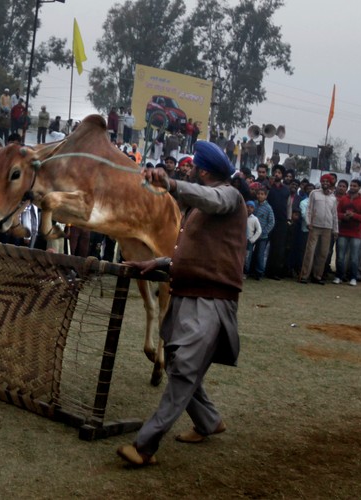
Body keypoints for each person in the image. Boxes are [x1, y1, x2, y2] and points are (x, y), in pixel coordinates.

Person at [117, 141, 246, 467]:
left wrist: (172, 185)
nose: (186, 170)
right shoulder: (198, 209)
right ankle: (208, 421)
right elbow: (193, 254)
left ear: (202, 170)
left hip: (211, 301)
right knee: (177, 361)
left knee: (184, 372)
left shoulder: (229, 196)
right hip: (187, 294)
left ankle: (144, 446)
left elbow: (211, 198)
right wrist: (158, 263)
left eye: (191, 167)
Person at [299, 175, 338, 284]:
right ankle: (304, 275)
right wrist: (308, 222)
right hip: (315, 226)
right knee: (310, 251)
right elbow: (309, 209)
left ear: (330, 183)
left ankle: (317, 276)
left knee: (323, 253)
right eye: (323, 181)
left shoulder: (333, 198)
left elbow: (334, 215)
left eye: (327, 181)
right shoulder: (314, 193)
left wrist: (336, 229)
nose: (325, 183)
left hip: (328, 228)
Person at [333, 179, 361, 286]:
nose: (352, 187)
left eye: (355, 186)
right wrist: (344, 216)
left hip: (356, 233)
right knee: (340, 256)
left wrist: (354, 216)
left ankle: (353, 277)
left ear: (359, 188)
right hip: (343, 232)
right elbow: (336, 213)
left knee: (354, 257)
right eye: (351, 185)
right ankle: (338, 276)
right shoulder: (344, 199)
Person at [244, 200, 261, 276]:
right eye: (247, 207)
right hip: (241, 239)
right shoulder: (241, 216)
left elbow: (259, 230)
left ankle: (245, 272)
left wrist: (252, 239)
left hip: (249, 240)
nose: (249, 209)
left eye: (251, 207)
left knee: (247, 258)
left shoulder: (254, 219)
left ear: (254, 209)